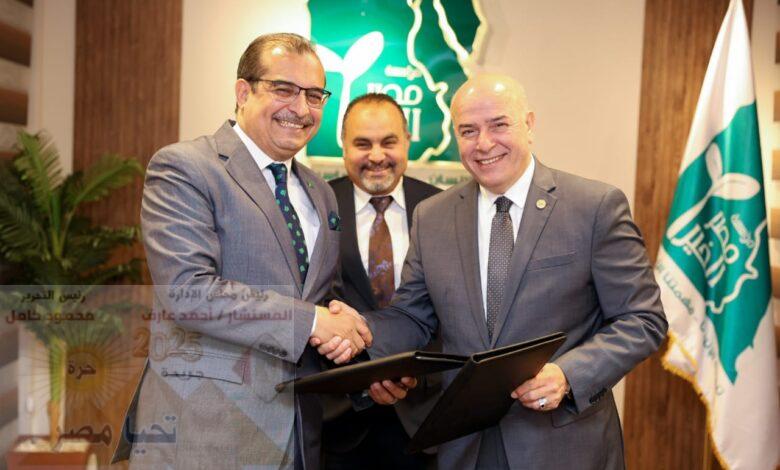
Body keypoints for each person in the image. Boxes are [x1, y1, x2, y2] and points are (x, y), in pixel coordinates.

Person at [319, 74, 667, 470]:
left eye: (499, 125)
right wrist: (356, 331)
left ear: (529, 124)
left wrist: (569, 375)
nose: (483, 143)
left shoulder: (594, 206)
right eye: (468, 131)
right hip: (464, 445)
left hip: (563, 445)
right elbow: (412, 316)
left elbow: (643, 319)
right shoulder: (433, 217)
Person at [124, 33, 371, 470]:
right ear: (243, 92)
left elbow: (318, 295)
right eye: (284, 89)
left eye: (314, 95)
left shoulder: (320, 191)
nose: (301, 108)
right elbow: (189, 292)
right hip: (205, 432)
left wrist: (345, 325)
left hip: (299, 433)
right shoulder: (185, 167)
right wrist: (316, 322)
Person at [324, 94, 441, 469]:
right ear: (343, 146)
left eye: (388, 142)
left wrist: (410, 373)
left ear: (407, 141)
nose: (376, 155)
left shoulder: (443, 209)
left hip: (427, 418)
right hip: (337, 420)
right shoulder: (315, 206)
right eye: (363, 144)